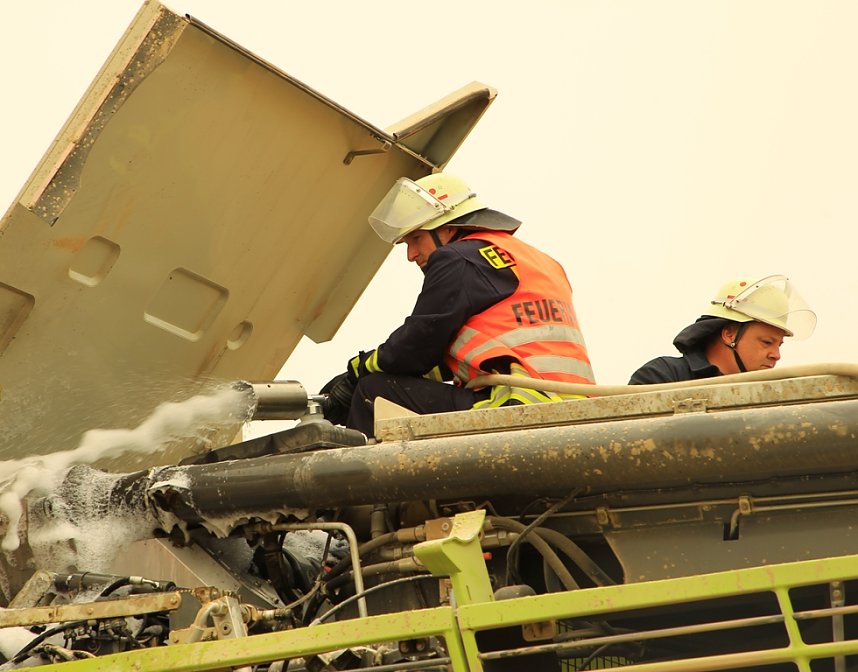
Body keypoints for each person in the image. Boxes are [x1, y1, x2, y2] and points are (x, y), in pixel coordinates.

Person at [321, 172, 595, 437]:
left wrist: (358, 371)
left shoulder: (458, 258)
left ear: (448, 227)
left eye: (416, 238)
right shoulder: (537, 261)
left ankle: (358, 481)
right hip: (577, 410)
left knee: (374, 390)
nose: (410, 254)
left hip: (516, 404)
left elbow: (416, 344)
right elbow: (451, 357)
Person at [628, 275, 816, 385]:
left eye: (779, 345)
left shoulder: (775, 398)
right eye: (767, 342)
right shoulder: (663, 377)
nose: (776, 355)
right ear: (729, 334)